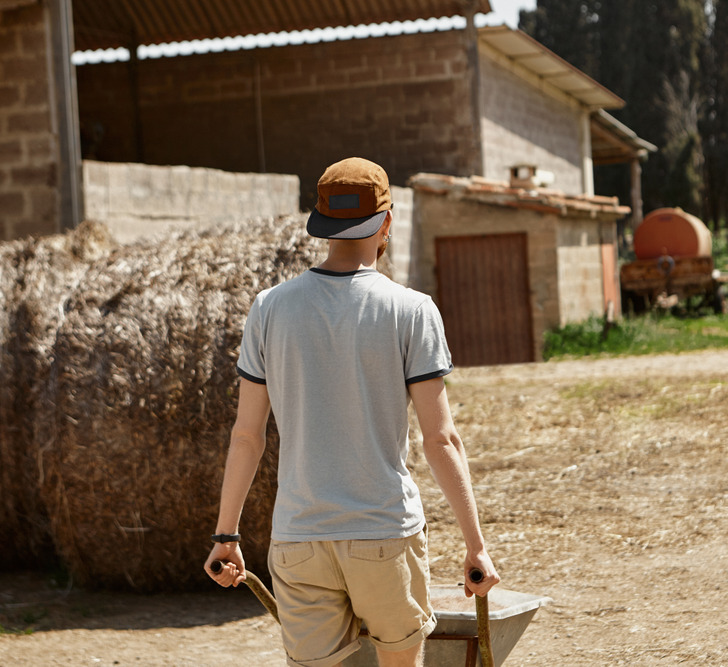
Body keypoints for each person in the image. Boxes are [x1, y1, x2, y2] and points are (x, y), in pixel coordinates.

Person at [205, 157, 499, 667]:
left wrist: (226, 535)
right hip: (384, 534)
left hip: (299, 540)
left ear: (322, 223)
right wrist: (476, 546)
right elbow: (440, 439)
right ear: (387, 223)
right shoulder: (412, 310)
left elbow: (247, 436)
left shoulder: (269, 308)